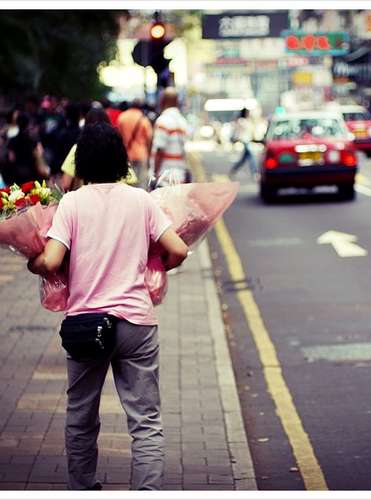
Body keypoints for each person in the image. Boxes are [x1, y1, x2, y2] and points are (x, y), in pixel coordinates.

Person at [27, 122, 189, 490]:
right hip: (136, 324)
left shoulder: (71, 203)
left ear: (81, 161)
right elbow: (178, 249)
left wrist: (32, 263)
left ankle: (83, 488)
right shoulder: (141, 200)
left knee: (81, 417)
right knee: (145, 421)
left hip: (86, 325)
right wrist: (155, 268)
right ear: (121, 160)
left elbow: (51, 261)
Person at [59, 108, 137, 191]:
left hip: (86, 196)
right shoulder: (115, 147)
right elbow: (131, 180)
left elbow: (66, 184)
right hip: (116, 196)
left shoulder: (78, 148)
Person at [150, 87, 191, 187]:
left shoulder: (163, 121)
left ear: (162, 101)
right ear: (177, 102)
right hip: (179, 177)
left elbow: (159, 150)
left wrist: (154, 175)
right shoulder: (183, 121)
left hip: (164, 178)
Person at [4, 112, 50, 185]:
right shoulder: (34, 140)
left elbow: (11, 158)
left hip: (17, 176)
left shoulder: (12, 141)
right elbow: (40, 154)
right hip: (33, 175)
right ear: (28, 124)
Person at [117, 99, 153, 189]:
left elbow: (118, 137)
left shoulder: (122, 117)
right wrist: (149, 154)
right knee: (141, 184)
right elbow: (149, 139)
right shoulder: (144, 119)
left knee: (127, 184)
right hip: (141, 154)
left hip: (126, 155)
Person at [229, 108, 257, 180]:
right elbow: (238, 131)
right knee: (251, 157)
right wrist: (235, 139)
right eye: (247, 112)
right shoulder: (241, 121)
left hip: (248, 141)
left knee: (243, 159)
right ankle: (254, 172)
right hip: (245, 141)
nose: (249, 114)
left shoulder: (247, 121)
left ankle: (234, 169)